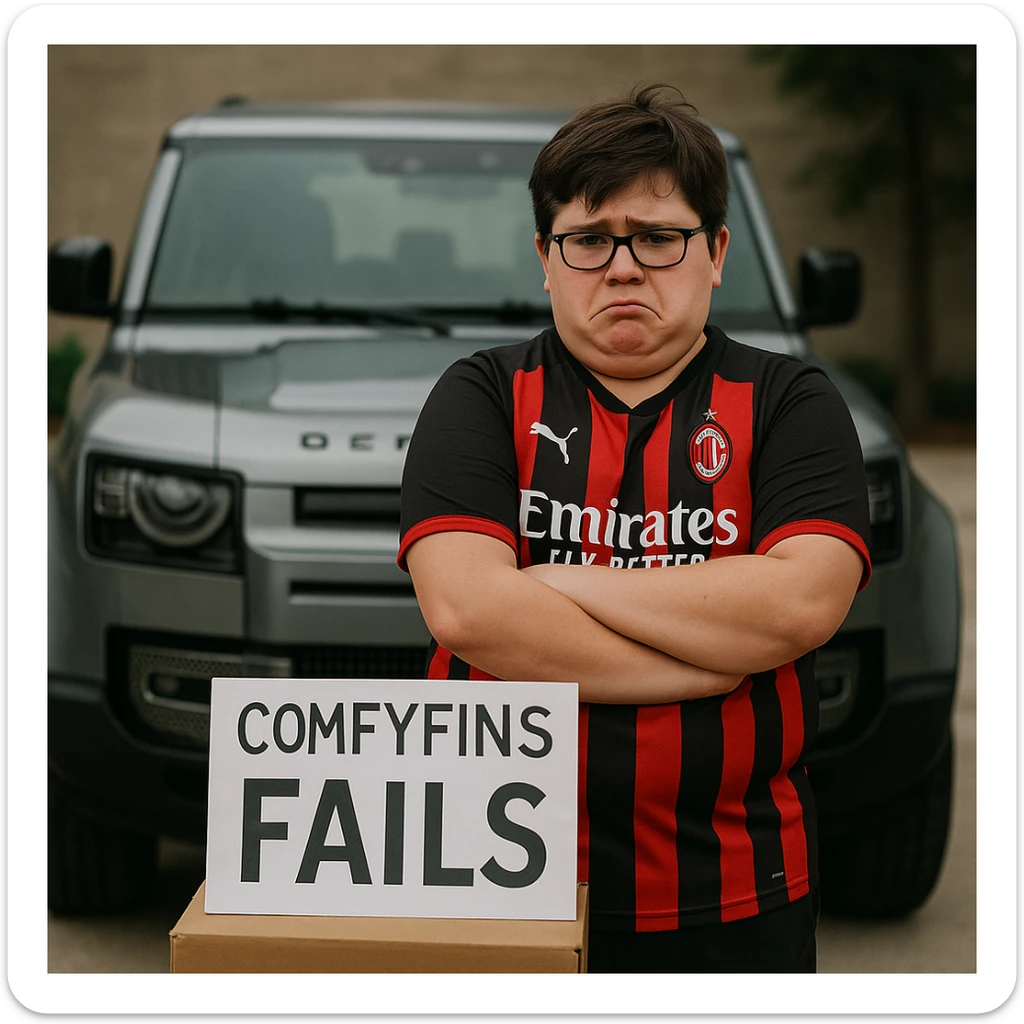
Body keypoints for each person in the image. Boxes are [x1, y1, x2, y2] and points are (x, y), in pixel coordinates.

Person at [397, 84, 871, 973]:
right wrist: (710, 660)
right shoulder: (480, 395)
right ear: (545, 256)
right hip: (495, 882)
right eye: (588, 239)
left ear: (717, 251)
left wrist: (550, 580)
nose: (622, 267)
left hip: (740, 886)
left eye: (658, 237)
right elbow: (465, 612)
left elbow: (798, 607)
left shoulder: (790, 403)